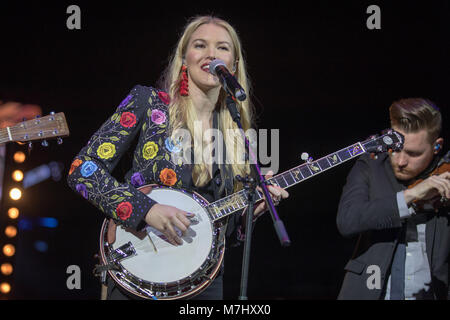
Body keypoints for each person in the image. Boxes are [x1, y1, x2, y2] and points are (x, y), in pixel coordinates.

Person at [67, 15, 288, 300]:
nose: (211, 54)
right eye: (200, 45)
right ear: (184, 59)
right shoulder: (148, 102)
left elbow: (225, 233)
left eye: (222, 48)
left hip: (203, 283)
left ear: (233, 65)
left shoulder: (236, 132)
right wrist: (146, 209)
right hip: (140, 273)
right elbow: (82, 171)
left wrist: (250, 212)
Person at [336, 98, 449, 300]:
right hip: (369, 292)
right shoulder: (370, 166)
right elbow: (347, 220)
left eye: (414, 154)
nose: (401, 161)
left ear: (436, 146)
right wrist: (411, 195)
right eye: (395, 148)